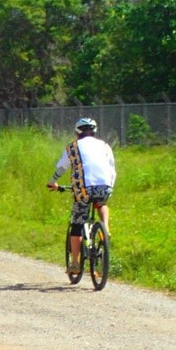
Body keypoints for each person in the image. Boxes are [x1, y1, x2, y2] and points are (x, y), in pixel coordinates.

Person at [47, 116, 116, 275]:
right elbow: (112, 169)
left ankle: (76, 263)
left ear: (77, 132)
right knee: (101, 203)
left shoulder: (73, 146)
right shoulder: (105, 146)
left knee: (77, 224)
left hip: (84, 189)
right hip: (105, 186)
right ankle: (105, 228)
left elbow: (61, 168)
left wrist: (52, 182)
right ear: (94, 131)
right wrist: (109, 187)